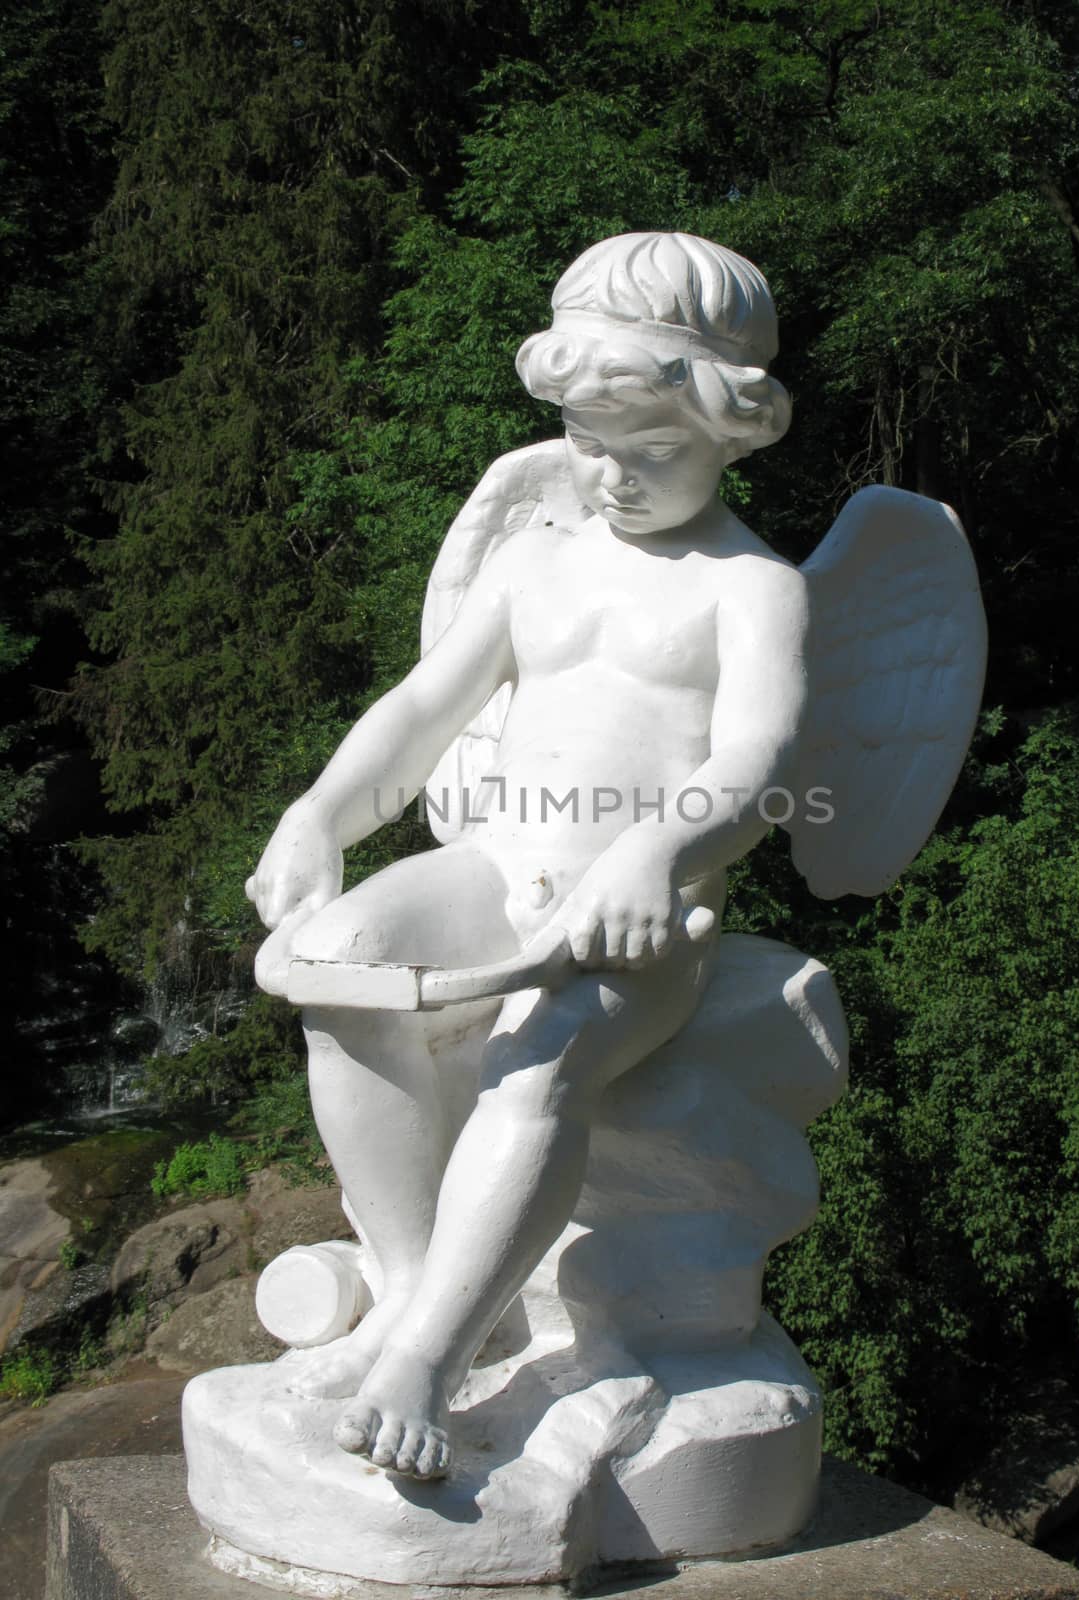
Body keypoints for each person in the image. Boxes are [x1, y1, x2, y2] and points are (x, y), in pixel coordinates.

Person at [246, 232, 806, 1479]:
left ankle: (427, 1360)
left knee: (535, 1067)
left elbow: (758, 766)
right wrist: (320, 816)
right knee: (334, 962)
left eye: (649, 451)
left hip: (641, 923)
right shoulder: (535, 559)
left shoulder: (751, 588)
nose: (607, 477)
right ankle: (411, 1280)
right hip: (498, 866)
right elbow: (418, 711)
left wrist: (658, 855)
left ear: (735, 427)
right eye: (588, 445)